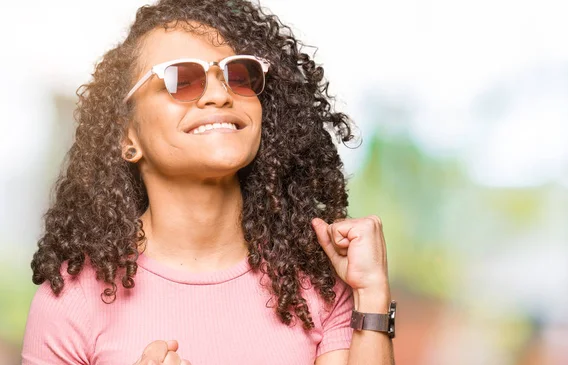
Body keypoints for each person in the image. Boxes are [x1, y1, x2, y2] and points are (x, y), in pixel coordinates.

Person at [21, 0, 395, 364]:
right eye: (182, 79)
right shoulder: (72, 300)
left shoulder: (315, 283)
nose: (219, 94)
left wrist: (373, 296)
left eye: (238, 75)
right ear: (127, 136)